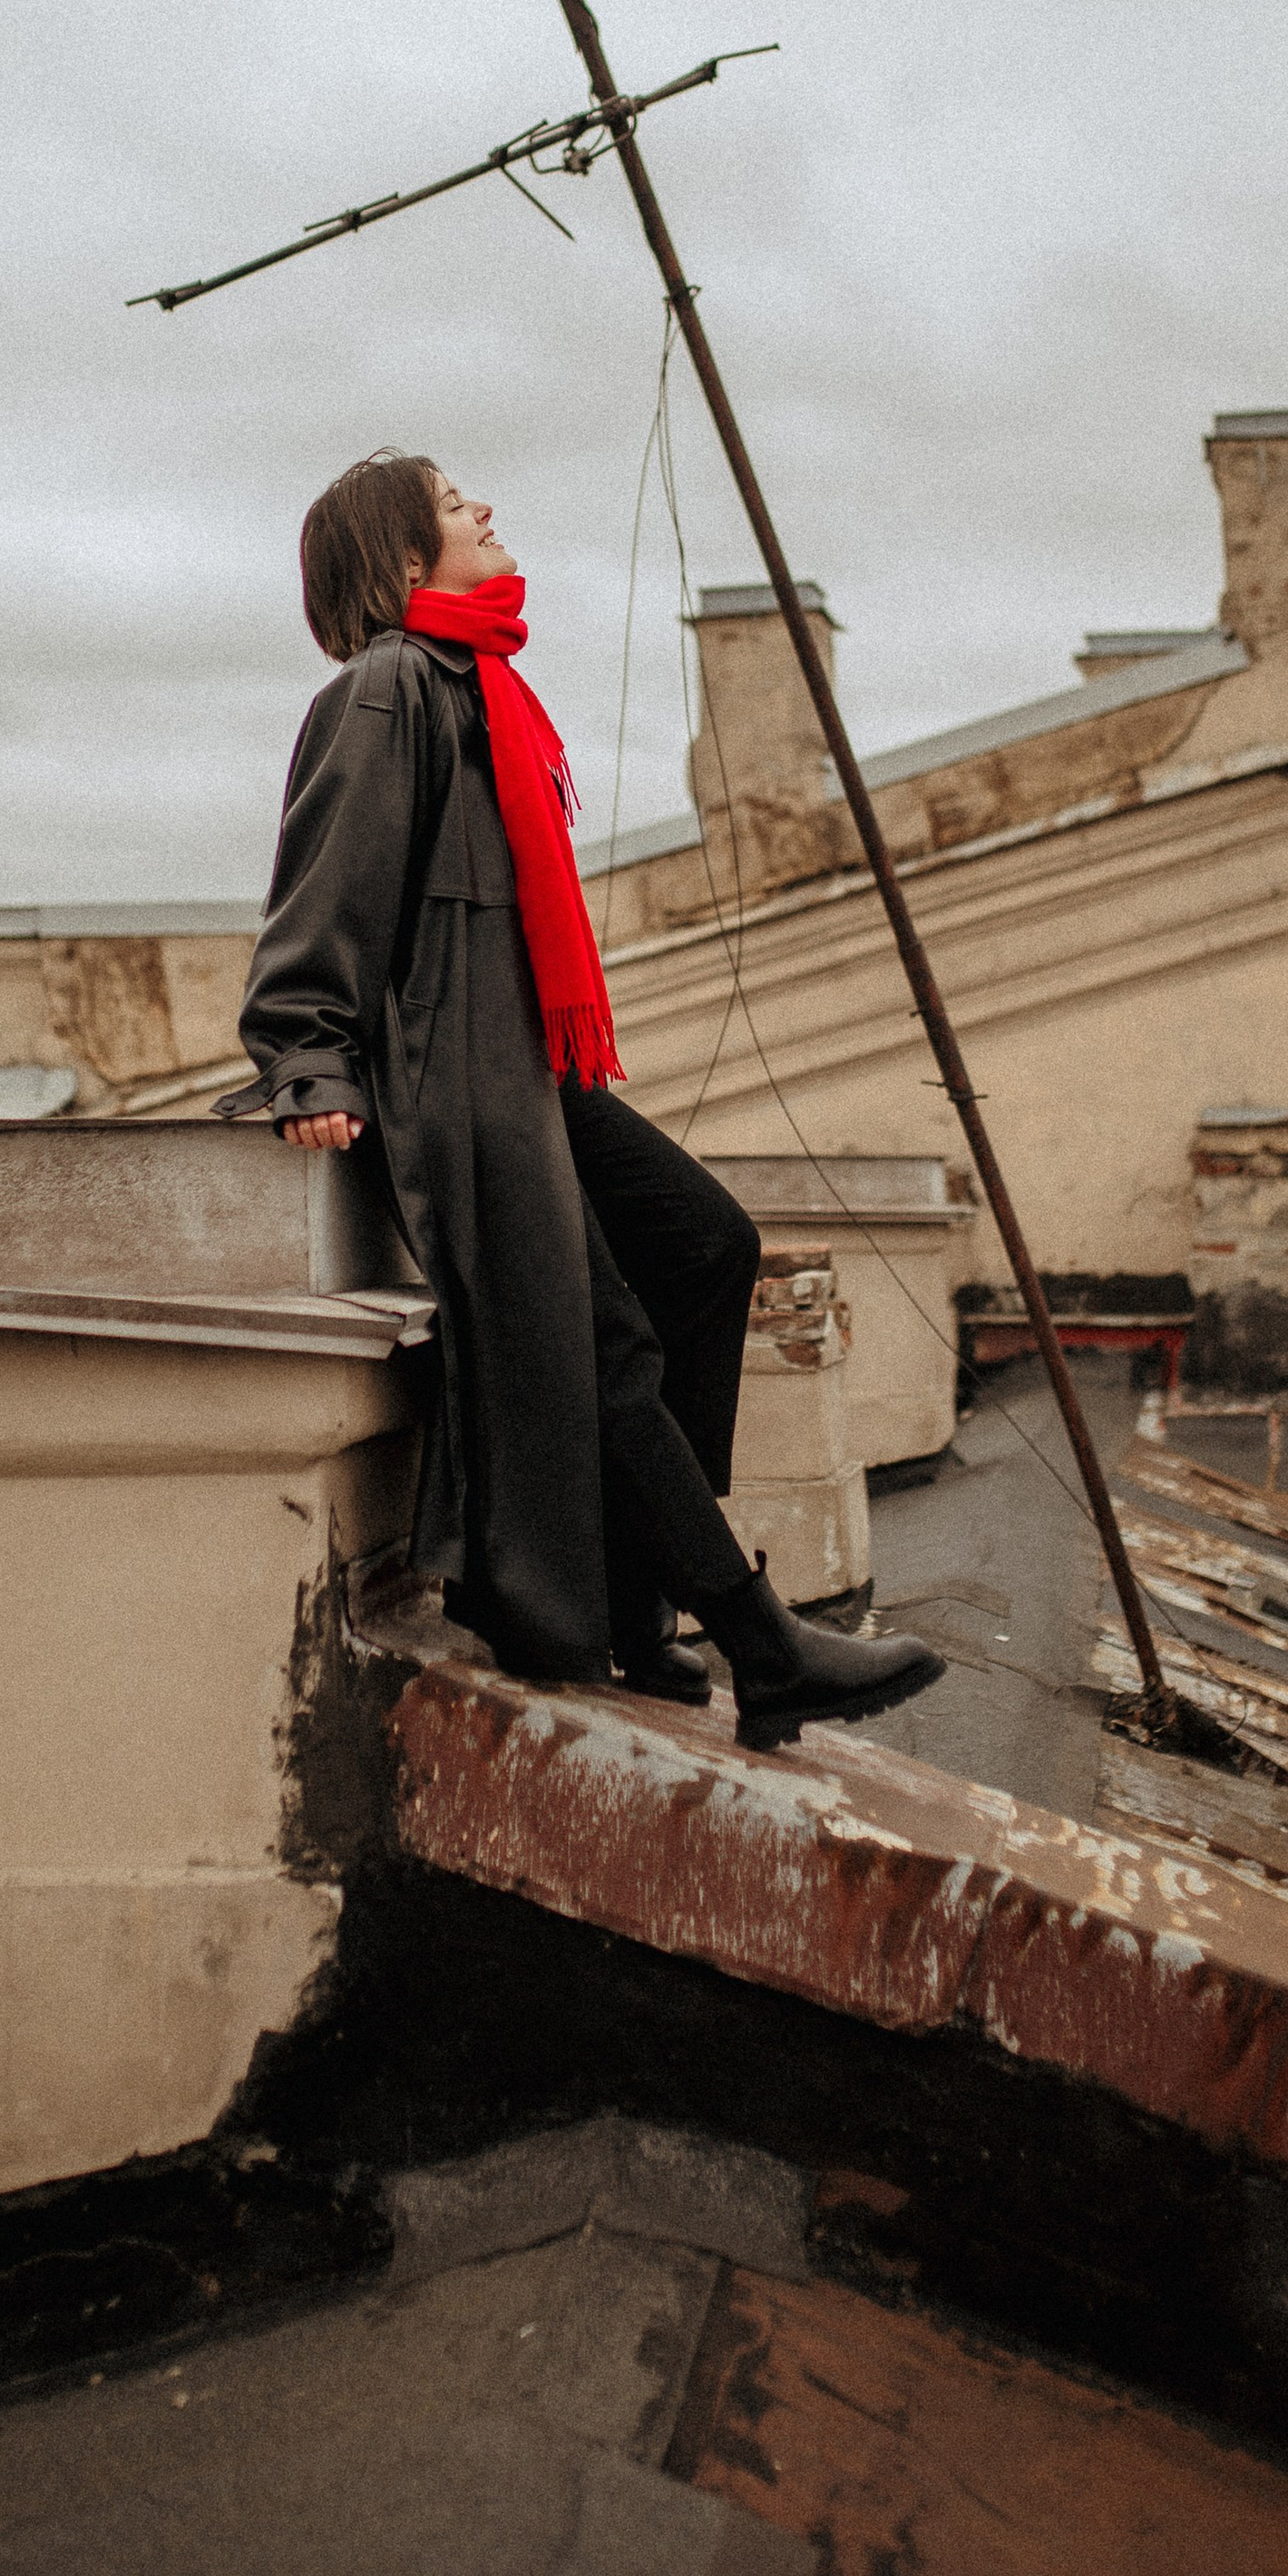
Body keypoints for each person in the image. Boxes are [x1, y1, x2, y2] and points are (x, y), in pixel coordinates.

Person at [220, 450, 944, 1749]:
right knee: (605, 1344)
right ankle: (753, 1639)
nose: (485, 511)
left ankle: (633, 1592)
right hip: (459, 1081)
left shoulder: (487, 689)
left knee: (706, 1243)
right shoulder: (388, 689)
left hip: (529, 1070)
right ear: (401, 565)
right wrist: (310, 1064)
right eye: (453, 507)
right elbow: (318, 903)